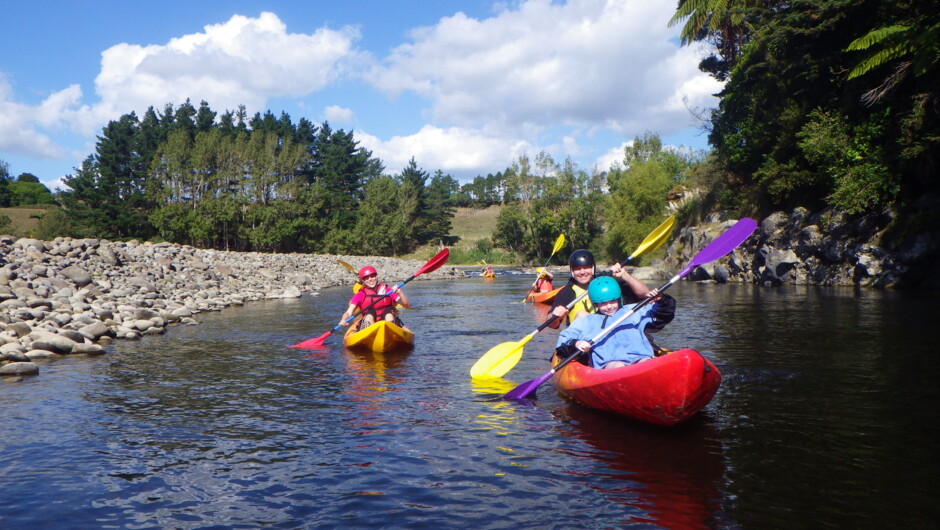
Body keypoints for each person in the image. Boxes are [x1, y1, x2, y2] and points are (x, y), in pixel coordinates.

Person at [555, 276, 675, 369]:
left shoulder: (633, 311)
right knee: (618, 366)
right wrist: (576, 343)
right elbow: (564, 340)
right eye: (603, 303)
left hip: (640, 358)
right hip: (610, 364)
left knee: (647, 363)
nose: (609, 307)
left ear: (619, 299)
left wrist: (661, 300)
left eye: (613, 301)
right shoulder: (587, 322)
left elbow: (663, 313)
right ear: (595, 304)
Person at [549, 249, 650, 328]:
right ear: (572, 271)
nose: (582, 272)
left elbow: (645, 294)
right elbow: (552, 325)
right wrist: (555, 316)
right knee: (582, 315)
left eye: (586, 267)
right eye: (578, 269)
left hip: (612, 334)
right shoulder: (566, 293)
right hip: (582, 342)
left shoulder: (608, 284)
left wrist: (625, 276)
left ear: (593, 268)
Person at [339, 266, 411, 330]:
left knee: (389, 314)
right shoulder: (360, 295)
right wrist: (343, 319)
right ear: (363, 281)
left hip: (388, 323)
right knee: (369, 315)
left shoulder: (388, 291)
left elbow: (407, 305)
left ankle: (390, 330)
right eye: (366, 278)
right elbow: (349, 312)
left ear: (376, 277)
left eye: (372, 276)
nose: (370, 279)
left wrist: (400, 293)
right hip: (370, 325)